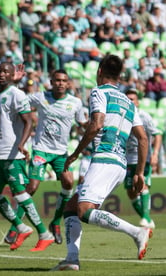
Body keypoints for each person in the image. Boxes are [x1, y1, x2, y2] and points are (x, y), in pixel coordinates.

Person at [52, 55, 151, 271]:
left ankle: (137, 232)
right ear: (118, 75)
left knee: (84, 211)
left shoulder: (98, 92)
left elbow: (96, 124)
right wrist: (140, 172)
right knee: (71, 208)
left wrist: (76, 153)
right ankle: (71, 259)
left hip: (104, 158)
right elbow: (143, 138)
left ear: (99, 72)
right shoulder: (128, 102)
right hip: (120, 163)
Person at [6, 69, 87, 248]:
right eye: (57, 80)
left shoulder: (75, 103)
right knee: (32, 187)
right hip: (41, 150)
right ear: (51, 81)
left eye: (64, 80)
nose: (60, 83)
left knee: (68, 183)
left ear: (68, 83)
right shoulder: (41, 97)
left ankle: (55, 222)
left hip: (61, 153)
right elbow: (20, 100)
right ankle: (16, 226)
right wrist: (17, 83)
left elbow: (83, 123)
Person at [0, 62, 53, 252]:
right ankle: (21, 227)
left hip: (12, 153)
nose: (1, 74)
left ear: (12, 75)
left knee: (21, 194)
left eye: (6, 71)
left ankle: (43, 233)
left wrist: (22, 144)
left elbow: (29, 121)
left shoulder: (16, 94)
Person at [124, 89, 162, 229]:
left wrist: (155, 154)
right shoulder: (121, 116)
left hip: (143, 158)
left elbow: (157, 134)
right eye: (127, 99)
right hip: (127, 159)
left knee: (143, 185)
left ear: (137, 102)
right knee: (130, 191)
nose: (130, 101)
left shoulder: (144, 116)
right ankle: (147, 219)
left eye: (132, 99)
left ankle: (145, 218)